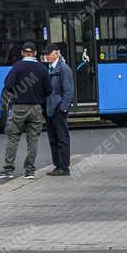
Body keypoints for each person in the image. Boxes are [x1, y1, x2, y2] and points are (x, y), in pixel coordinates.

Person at [0, 42, 51, 180]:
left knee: (13, 137)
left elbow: (8, 85)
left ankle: (8, 169)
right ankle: (30, 171)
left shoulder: (17, 67)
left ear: (22, 53)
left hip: (19, 107)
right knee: (33, 140)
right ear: (35, 53)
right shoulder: (42, 69)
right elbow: (49, 89)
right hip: (36, 108)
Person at [44, 43, 74, 176]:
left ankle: (64, 166)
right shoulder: (50, 68)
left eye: (49, 54)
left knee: (62, 138)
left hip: (58, 109)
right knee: (53, 138)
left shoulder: (63, 69)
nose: (46, 57)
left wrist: (63, 108)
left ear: (56, 53)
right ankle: (57, 165)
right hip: (50, 109)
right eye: (46, 54)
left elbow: (68, 91)